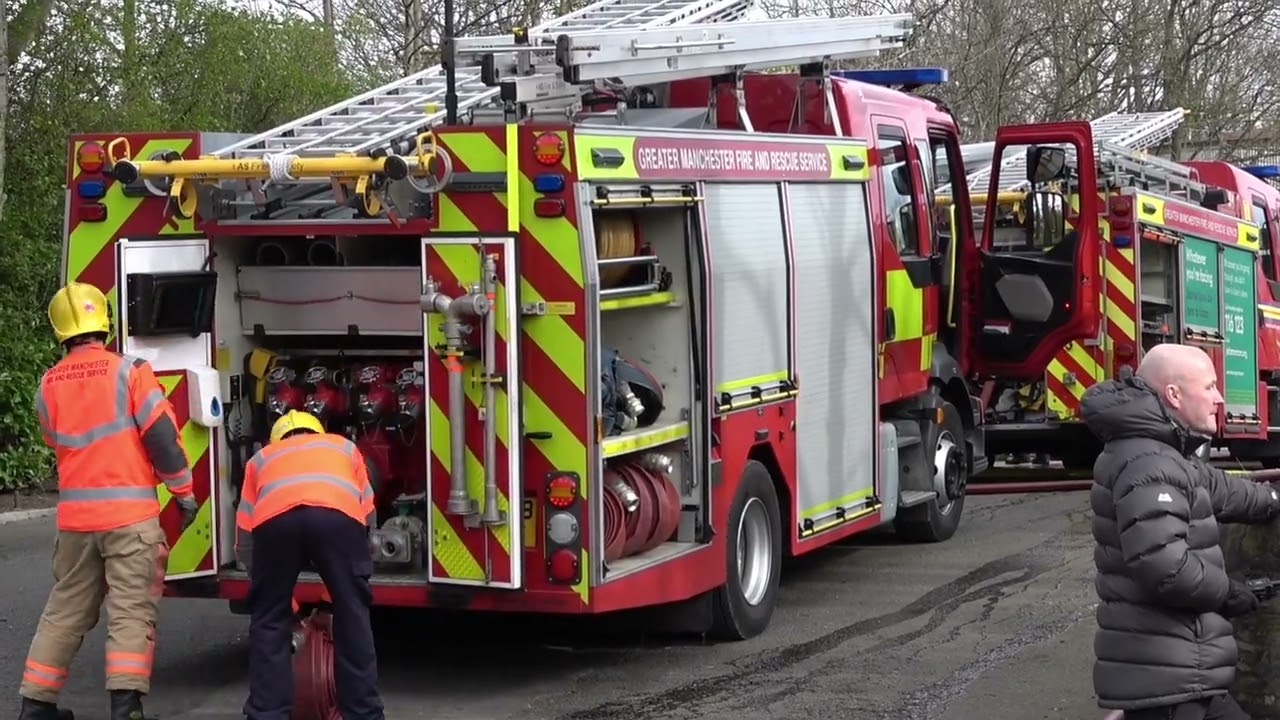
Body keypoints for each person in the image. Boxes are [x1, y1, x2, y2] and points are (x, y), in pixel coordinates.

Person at [20, 282, 198, 720]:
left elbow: (53, 439)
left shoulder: (48, 384)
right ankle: (125, 707)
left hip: (77, 524)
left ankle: (35, 706)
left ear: (60, 331)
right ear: (105, 323)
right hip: (130, 520)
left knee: (64, 611)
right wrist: (184, 494)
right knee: (130, 612)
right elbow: (162, 439)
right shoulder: (129, 371)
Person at [1082, 343, 1280, 720]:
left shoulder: (1161, 452)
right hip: (1171, 683)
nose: (1219, 398)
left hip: (1176, 674)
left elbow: (1217, 489)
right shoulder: (1149, 461)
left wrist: (1271, 497)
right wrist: (1228, 593)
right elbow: (1165, 566)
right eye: (1208, 387)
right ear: (1173, 394)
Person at [236, 410, 385, 720]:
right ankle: (364, 713)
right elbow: (368, 520)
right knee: (353, 615)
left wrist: (277, 601)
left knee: (268, 620)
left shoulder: (261, 459)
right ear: (318, 431)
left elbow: (246, 539)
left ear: (276, 439)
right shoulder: (343, 447)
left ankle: (267, 714)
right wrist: (339, 598)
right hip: (337, 517)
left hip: (275, 522)